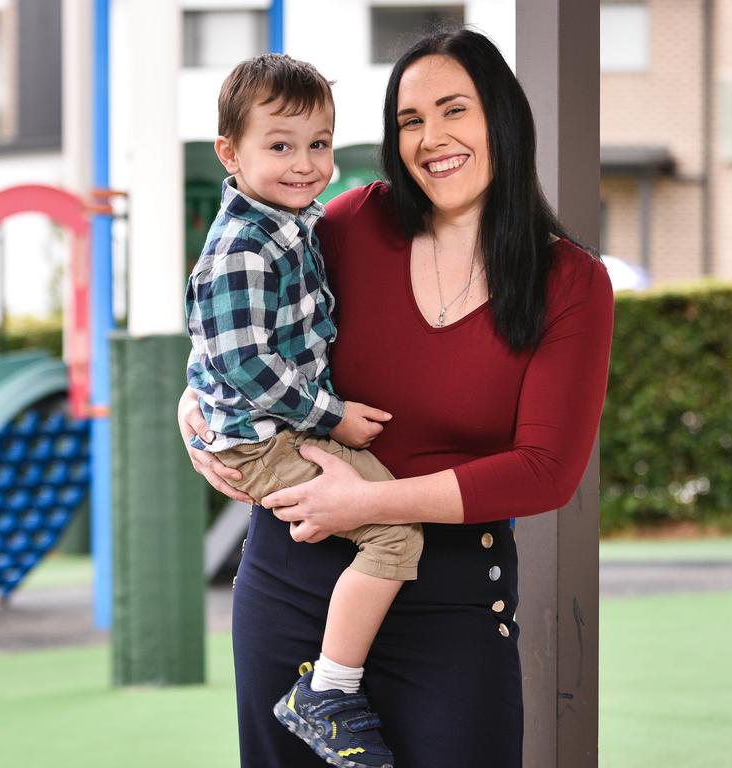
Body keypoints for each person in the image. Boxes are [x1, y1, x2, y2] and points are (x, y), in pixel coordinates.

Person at [178, 29, 614, 767]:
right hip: (293, 583)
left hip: (452, 603)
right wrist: (192, 405)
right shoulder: (347, 224)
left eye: (454, 111)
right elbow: (239, 318)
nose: (432, 138)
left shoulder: (568, 282)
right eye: (410, 121)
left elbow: (546, 469)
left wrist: (373, 505)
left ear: (502, 117)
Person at [184, 54, 421, 767]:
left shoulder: (294, 222)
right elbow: (244, 365)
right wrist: (332, 416)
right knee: (395, 532)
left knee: (388, 516)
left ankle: (335, 680)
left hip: (275, 425)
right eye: (280, 146)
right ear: (230, 152)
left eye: (318, 144)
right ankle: (329, 691)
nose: (304, 163)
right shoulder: (241, 248)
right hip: (263, 438)